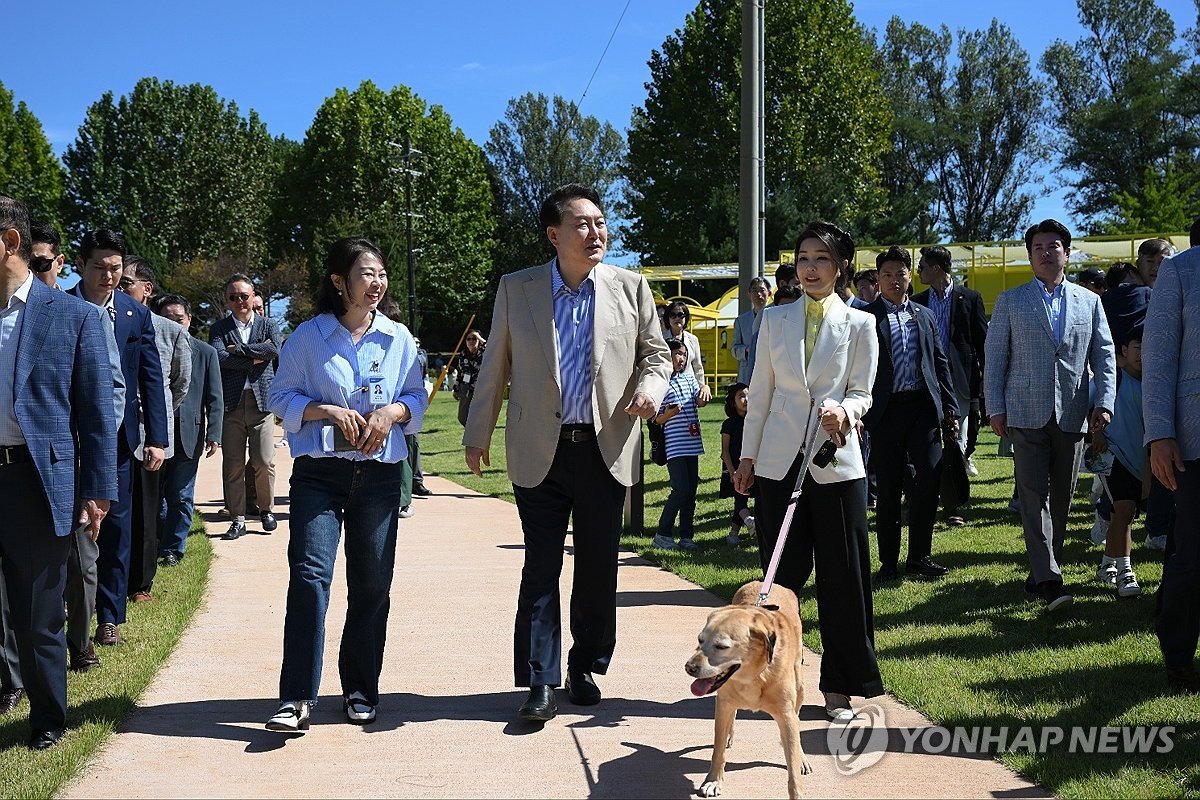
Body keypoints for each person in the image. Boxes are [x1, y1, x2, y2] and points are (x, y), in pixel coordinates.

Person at [462, 183, 670, 723]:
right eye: (583, 224)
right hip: (540, 451)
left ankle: (585, 664)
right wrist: (476, 431)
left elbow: (657, 354)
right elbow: (496, 366)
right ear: (554, 235)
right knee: (540, 567)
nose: (596, 232)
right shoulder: (517, 288)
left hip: (607, 447)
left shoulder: (631, 287)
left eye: (600, 222)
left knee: (598, 568)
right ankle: (539, 680)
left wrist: (650, 387)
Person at [264, 237, 427, 733]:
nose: (376, 283)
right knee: (311, 576)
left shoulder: (398, 338)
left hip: (378, 476)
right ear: (339, 281)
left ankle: (359, 687)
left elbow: (417, 396)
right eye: (366, 273)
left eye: (381, 273)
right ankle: (296, 698)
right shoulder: (308, 337)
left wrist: (391, 412)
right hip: (320, 475)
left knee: (373, 584)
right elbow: (279, 395)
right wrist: (324, 409)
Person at [733, 220, 881, 724]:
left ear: (841, 267)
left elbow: (863, 391)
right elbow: (761, 397)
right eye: (803, 258)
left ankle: (840, 687)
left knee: (844, 580)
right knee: (777, 585)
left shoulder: (861, 324)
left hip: (837, 466)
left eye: (821, 258)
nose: (811, 267)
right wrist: (747, 458)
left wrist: (846, 410)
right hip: (777, 465)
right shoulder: (773, 320)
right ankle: (768, 680)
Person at [0, 195, 116, 749]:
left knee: (38, 610)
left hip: (34, 481)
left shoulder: (73, 317)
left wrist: (97, 489)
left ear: (10, 243)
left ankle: (47, 716)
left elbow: (96, 413)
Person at [984, 219, 1116, 612]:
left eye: (1053, 245)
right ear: (1029, 255)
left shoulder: (1089, 302)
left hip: (1073, 412)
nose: (1045, 252)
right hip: (1024, 412)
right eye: (1038, 246)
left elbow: (1104, 356)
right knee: (1032, 497)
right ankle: (1049, 578)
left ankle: (1044, 567)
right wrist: (995, 407)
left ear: (1067, 252)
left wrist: (1104, 401)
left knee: (1062, 497)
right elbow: (995, 360)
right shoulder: (1011, 300)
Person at [27, 222, 123, 674]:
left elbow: (105, 398)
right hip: (21, 467)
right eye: (31, 263)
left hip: (74, 464)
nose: (35, 270)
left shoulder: (76, 316)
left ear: (60, 264)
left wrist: (96, 474)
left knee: (82, 564)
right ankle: (13, 673)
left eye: (43, 263)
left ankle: (81, 642)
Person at [67, 229, 168, 647]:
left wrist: (157, 438)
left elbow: (150, 377)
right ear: (81, 266)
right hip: (71, 438)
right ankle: (70, 610)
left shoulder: (134, 313)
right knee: (75, 525)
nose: (107, 277)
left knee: (118, 529)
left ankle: (109, 616)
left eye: (115, 269)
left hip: (121, 439)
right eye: (99, 268)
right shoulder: (61, 306)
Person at [863, 246, 958, 583]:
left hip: (922, 409)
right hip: (884, 413)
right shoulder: (866, 317)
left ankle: (919, 557)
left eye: (900, 274)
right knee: (888, 488)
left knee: (928, 481)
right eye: (886, 275)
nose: (894, 281)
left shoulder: (924, 314)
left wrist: (950, 407)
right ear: (878, 279)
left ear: (909, 275)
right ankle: (888, 563)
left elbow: (940, 362)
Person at [1143, 216, 1200, 694]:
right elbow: (1158, 358)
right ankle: (1179, 654)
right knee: (1193, 554)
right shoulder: (1181, 271)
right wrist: (1159, 433)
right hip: (1192, 442)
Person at [120, 256, 191, 602]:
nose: (118, 288)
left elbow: (180, 383)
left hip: (151, 438)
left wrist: (157, 422)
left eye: (125, 283)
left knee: (148, 513)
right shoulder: (104, 321)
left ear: (146, 289)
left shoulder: (172, 333)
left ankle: (141, 584)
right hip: (114, 433)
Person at [913, 244, 988, 520]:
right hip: (925, 382)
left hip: (960, 381)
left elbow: (982, 342)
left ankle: (953, 504)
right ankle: (926, 501)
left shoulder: (969, 298)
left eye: (921, 266)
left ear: (935, 269)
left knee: (957, 441)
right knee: (927, 443)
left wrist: (985, 382)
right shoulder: (918, 301)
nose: (918, 271)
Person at [210, 274, 281, 540]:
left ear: (253, 297)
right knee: (233, 465)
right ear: (226, 300)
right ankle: (237, 518)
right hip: (231, 403)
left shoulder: (268, 324)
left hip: (262, 404)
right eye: (233, 297)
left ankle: (266, 510)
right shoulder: (219, 328)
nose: (239, 301)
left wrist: (238, 350)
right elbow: (219, 356)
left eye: (244, 296)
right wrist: (253, 358)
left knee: (264, 461)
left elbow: (273, 351)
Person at [156, 295, 223, 566]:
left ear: (189, 321)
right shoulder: (148, 347)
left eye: (179, 320)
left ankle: (174, 549)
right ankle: (157, 540)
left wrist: (214, 434)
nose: (173, 325)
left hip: (189, 435)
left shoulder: (205, 353)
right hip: (155, 435)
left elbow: (215, 398)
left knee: (181, 496)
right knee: (156, 496)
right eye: (167, 319)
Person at [1091, 325, 1146, 598]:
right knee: (1124, 511)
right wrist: (1097, 433)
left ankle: (1106, 566)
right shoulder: (1113, 380)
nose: (1143, 354)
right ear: (1124, 350)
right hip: (1112, 456)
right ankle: (1125, 573)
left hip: (1142, 462)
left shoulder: (1154, 383)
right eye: (1138, 347)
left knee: (1120, 516)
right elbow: (1087, 403)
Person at [650, 338, 708, 551]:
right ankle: (662, 534)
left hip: (692, 444)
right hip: (674, 445)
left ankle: (686, 536)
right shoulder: (661, 383)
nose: (681, 358)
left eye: (684, 354)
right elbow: (655, 419)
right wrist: (671, 412)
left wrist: (705, 390)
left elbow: (700, 402)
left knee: (690, 492)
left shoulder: (689, 379)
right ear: (667, 356)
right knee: (680, 489)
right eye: (677, 354)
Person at [719, 382, 753, 545]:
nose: (746, 399)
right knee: (740, 500)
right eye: (741, 396)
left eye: (748, 395)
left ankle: (733, 534)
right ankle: (749, 522)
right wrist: (732, 471)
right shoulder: (729, 424)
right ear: (733, 402)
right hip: (733, 468)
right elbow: (725, 451)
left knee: (748, 497)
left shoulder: (754, 421)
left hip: (752, 468)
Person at [662, 300, 711, 404]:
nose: (677, 318)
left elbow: (698, 367)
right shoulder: (660, 339)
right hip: (666, 388)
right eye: (673, 315)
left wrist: (701, 389)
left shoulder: (693, 339)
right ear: (667, 318)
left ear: (686, 318)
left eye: (681, 315)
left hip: (688, 389)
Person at [731, 276, 769, 384]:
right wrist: (747, 350)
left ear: (769, 294)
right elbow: (734, 349)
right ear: (749, 295)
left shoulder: (776, 316)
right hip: (747, 372)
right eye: (754, 291)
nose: (758, 294)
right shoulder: (741, 321)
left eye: (762, 290)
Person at [453, 329, 486, 427]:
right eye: (469, 339)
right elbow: (460, 372)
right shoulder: (463, 354)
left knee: (478, 415)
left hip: (480, 388)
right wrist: (456, 389)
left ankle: (475, 432)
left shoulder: (484, 352)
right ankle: (471, 429)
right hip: (465, 387)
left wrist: (479, 337)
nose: (471, 341)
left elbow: (492, 347)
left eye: (474, 339)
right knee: (462, 417)